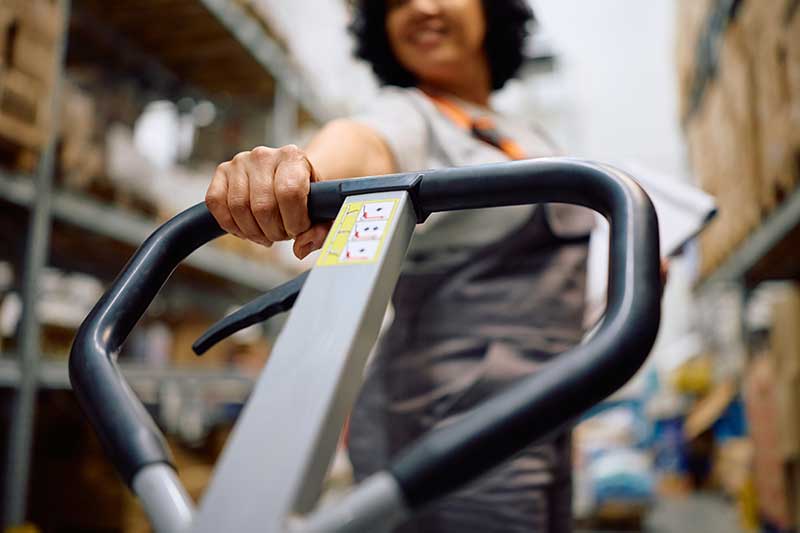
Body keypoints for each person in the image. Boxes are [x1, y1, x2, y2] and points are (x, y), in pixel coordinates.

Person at [206, 1, 594, 531]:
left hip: (538, 415)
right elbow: (365, 143)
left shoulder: (527, 136)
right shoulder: (410, 113)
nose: (421, 7)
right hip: (446, 429)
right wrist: (298, 169)